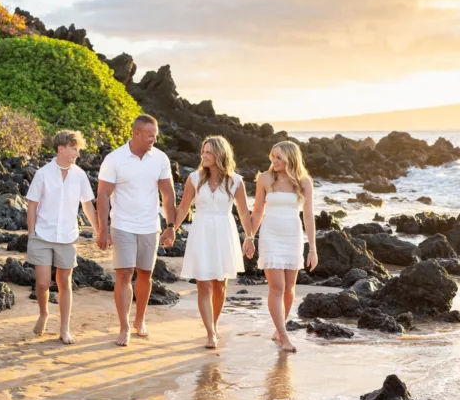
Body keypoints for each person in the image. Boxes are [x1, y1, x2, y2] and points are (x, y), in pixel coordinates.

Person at [96, 114, 177, 346]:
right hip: (122, 224)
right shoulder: (115, 159)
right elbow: (103, 194)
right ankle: (124, 326)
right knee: (124, 273)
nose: (154, 139)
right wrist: (103, 229)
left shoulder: (160, 158)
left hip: (150, 225)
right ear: (136, 133)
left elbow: (168, 193)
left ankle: (139, 320)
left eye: (155, 135)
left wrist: (171, 226)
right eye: (150, 135)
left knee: (145, 274)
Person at [170, 136, 255, 349]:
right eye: (203, 151)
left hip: (224, 233)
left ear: (220, 154)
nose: (203, 155)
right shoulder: (194, 178)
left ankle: (214, 324)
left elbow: (244, 212)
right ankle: (210, 333)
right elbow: (183, 207)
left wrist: (249, 237)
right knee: (204, 285)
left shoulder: (235, 181)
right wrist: (172, 228)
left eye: (208, 152)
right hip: (201, 232)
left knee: (220, 285)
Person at [25, 130, 99, 344]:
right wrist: (31, 234)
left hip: (68, 236)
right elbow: (32, 205)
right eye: (74, 149)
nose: (77, 153)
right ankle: (44, 313)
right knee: (43, 283)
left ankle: (64, 328)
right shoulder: (43, 174)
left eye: (78, 149)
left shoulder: (80, 175)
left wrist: (99, 231)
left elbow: (87, 205)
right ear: (61, 149)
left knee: (65, 282)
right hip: (42, 235)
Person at [250, 141, 317, 352]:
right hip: (270, 235)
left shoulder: (304, 181)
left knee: (289, 289)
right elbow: (257, 211)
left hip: (292, 235)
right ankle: (283, 335)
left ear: (290, 158)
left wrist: (312, 248)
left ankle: (279, 328)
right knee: (277, 287)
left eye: (279, 157)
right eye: (273, 156)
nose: (275, 161)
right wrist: (249, 236)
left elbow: (308, 215)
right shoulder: (265, 178)